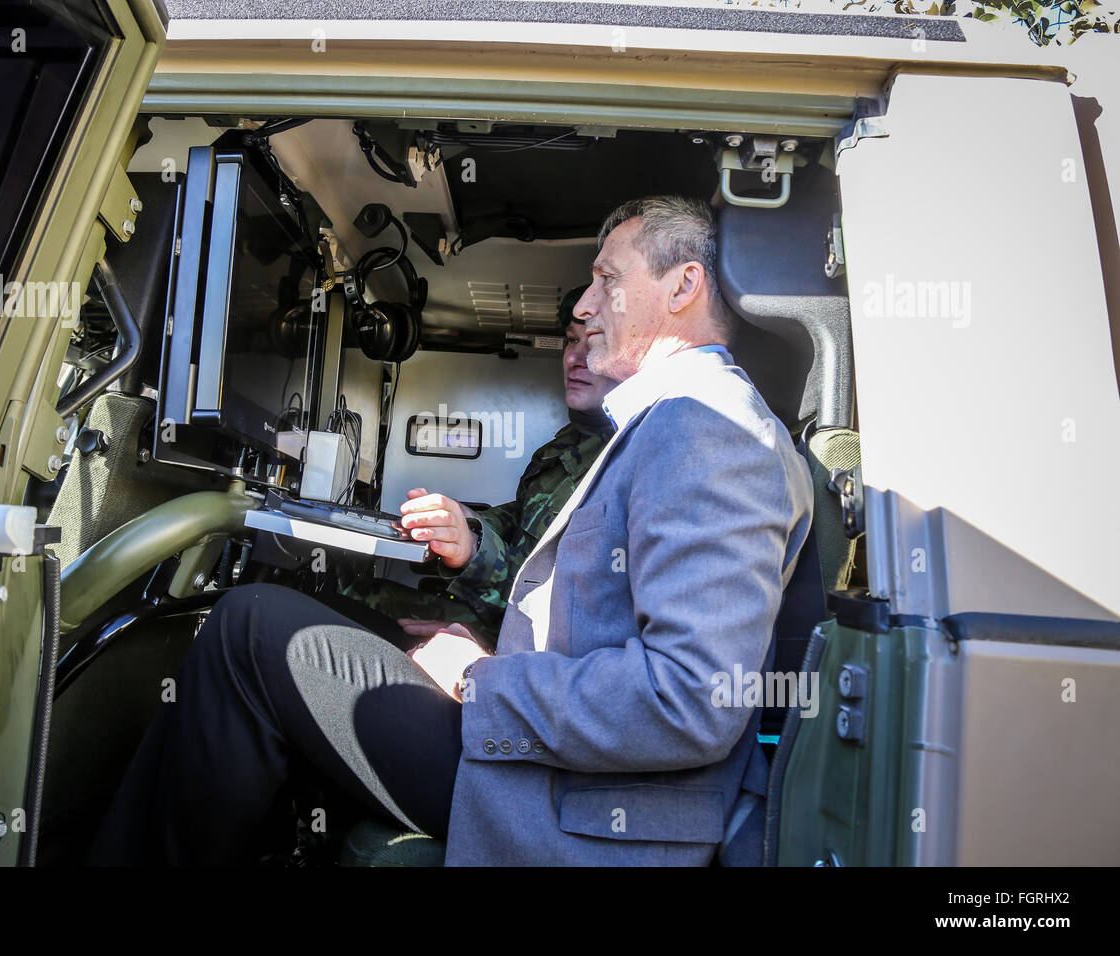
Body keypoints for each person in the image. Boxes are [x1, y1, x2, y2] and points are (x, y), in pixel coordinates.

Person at [87, 195, 814, 867]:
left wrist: (480, 680)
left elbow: (690, 701)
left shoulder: (709, 430)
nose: (589, 305)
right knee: (329, 619)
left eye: (606, 279)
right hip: (560, 765)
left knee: (249, 630)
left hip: (576, 808)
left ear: (682, 288)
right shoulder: (681, 422)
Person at [332, 298, 617, 650]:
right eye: (573, 340)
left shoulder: (625, 459)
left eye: (595, 342)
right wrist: (465, 521)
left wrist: (473, 552)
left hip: (526, 647)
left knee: (347, 614)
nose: (575, 358)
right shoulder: (570, 443)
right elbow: (522, 518)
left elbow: (565, 609)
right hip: (503, 620)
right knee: (354, 595)